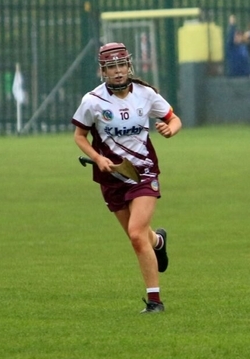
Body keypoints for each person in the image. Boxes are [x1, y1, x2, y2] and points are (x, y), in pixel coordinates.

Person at [72, 42, 182, 313]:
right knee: (142, 236)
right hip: (112, 177)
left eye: (121, 65)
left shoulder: (145, 94)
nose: (118, 72)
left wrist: (170, 130)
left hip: (144, 172)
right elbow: (79, 136)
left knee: (135, 235)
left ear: (129, 65)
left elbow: (174, 118)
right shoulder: (93, 101)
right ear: (103, 71)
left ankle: (155, 301)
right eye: (111, 67)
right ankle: (159, 242)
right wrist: (97, 158)